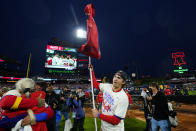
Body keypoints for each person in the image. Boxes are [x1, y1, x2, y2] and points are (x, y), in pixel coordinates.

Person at [89, 64, 129, 131]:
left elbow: (116, 120)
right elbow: (95, 84)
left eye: (119, 78)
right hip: (104, 127)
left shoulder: (123, 98)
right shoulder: (107, 86)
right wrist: (91, 71)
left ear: (123, 82)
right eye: (115, 76)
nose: (115, 79)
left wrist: (98, 115)